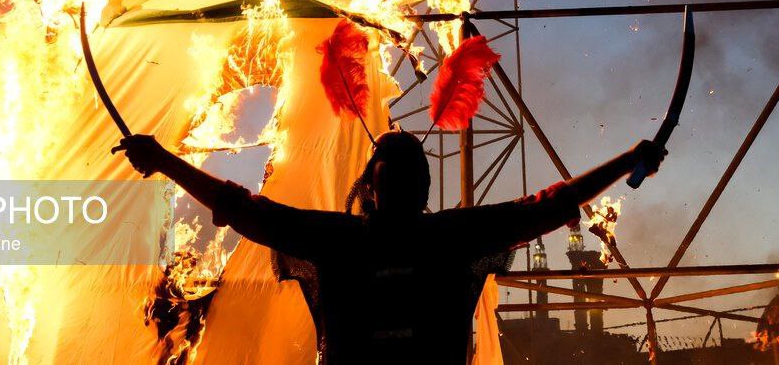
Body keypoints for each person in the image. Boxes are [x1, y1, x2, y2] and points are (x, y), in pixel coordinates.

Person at [119, 130, 665, 364]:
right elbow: (246, 210)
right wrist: (164, 161)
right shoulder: (445, 236)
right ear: (373, 186)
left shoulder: (353, 238)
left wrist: (166, 160)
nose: (399, 182)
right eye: (392, 171)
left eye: (407, 173)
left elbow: (246, 210)